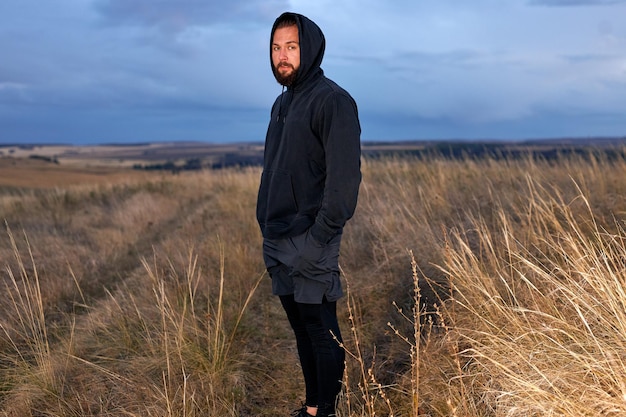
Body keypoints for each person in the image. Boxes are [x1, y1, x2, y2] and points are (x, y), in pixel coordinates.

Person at [256, 11, 362, 417]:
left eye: (292, 47)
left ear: (310, 48)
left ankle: (328, 412)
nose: (282, 56)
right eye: (276, 48)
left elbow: (343, 182)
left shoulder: (333, 101)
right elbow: (274, 168)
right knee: (301, 327)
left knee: (320, 330)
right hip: (277, 236)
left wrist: (322, 235)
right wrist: (263, 218)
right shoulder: (281, 104)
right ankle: (313, 406)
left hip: (310, 238)